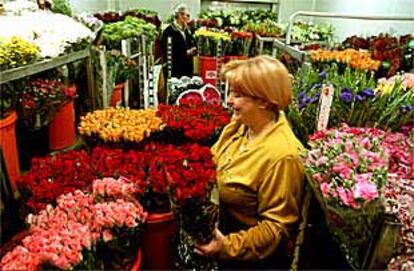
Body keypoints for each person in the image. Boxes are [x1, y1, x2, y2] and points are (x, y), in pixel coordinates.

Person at [195, 55, 305, 269]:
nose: (229, 101)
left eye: (237, 95)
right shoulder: (242, 125)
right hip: (219, 233)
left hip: (247, 260)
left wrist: (226, 247)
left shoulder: (283, 156)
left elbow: (276, 229)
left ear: (264, 101)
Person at [161, 4, 196, 78]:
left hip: (187, 69)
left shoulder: (187, 31)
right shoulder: (169, 31)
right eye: (186, 15)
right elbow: (167, 51)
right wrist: (186, 52)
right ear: (178, 15)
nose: (187, 18)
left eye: (188, 16)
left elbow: (191, 44)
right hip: (175, 70)